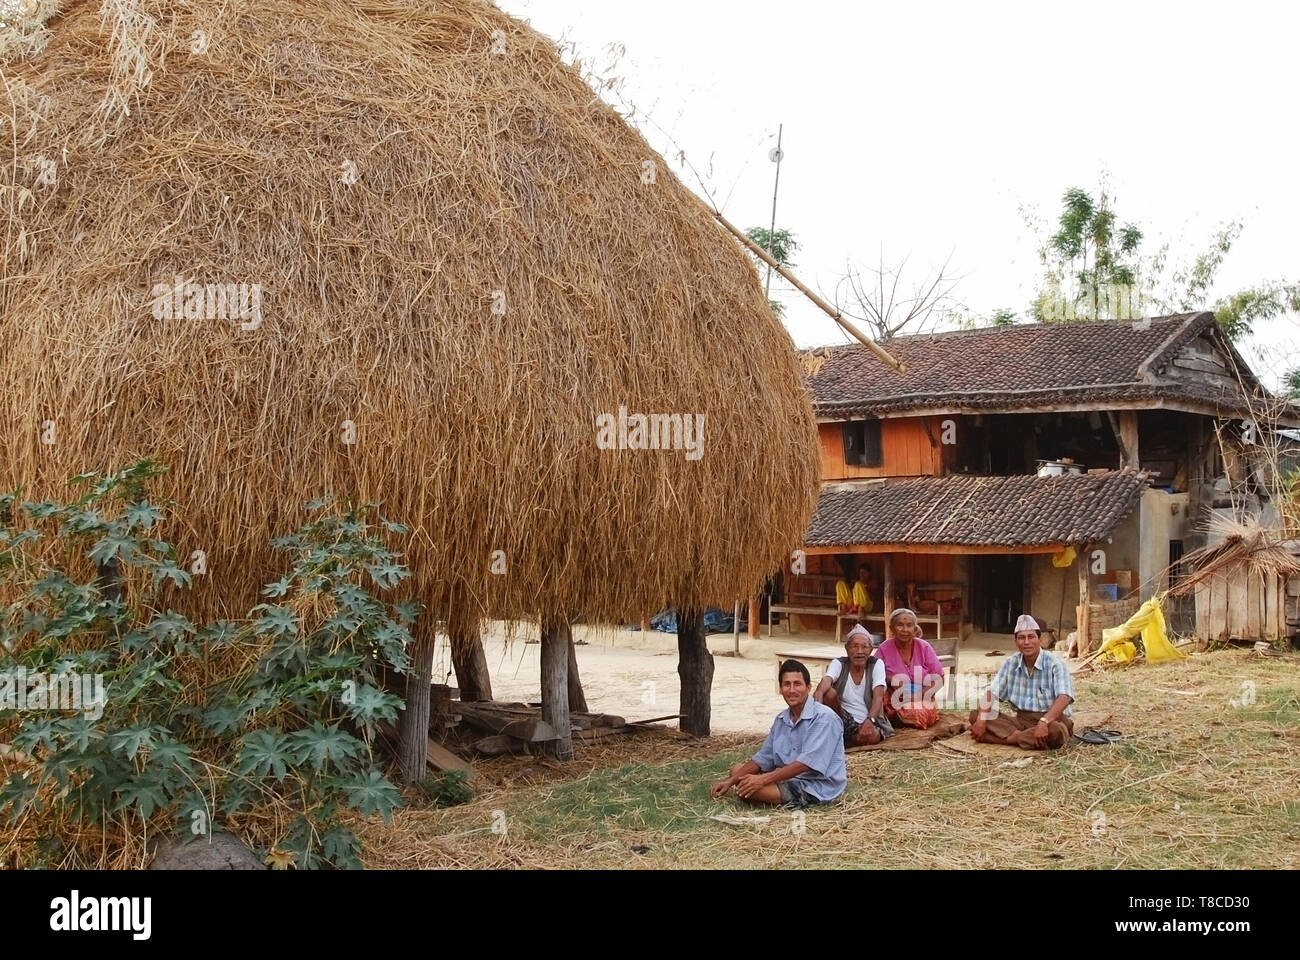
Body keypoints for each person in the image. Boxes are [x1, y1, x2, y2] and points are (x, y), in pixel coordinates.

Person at [711, 659, 846, 807]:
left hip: (815, 787)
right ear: (781, 689)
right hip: (787, 779)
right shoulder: (782, 719)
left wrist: (762, 780)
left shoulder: (824, 718)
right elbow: (762, 759)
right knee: (736, 770)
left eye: (797, 684)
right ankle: (759, 793)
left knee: (749, 788)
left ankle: (761, 795)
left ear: (808, 687)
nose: (792, 690)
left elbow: (805, 764)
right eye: (787, 684)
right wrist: (729, 782)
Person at [970, 614, 1074, 749]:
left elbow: (1064, 697)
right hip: (1021, 721)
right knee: (976, 715)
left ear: (1040, 639)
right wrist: (981, 719)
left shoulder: (1056, 663)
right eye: (1021, 638)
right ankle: (1023, 738)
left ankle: (1007, 739)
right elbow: (992, 693)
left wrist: (1044, 722)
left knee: (1056, 732)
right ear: (1016, 642)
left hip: (1051, 719)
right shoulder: (1011, 663)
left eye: (1031, 637)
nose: (1026, 642)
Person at [813, 624, 893, 746]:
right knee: (828, 693)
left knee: (873, 736)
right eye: (854, 647)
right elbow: (827, 680)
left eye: (864, 647)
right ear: (846, 648)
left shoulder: (876, 664)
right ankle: (843, 737)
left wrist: (870, 720)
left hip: (869, 719)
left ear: (871, 650)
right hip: (843, 719)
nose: (859, 652)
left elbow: (878, 696)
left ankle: (843, 741)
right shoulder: (839, 663)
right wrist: (818, 697)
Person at [876, 608, 946, 728]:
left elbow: (939, 679)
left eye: (909, 625)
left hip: (922, 697)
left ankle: (897, 719)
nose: (905, 630)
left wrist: (919, 695)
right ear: (892, 628)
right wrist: (890, 678)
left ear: (914, 628)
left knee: (921, 714)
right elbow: (874, 674)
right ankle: (893, 716)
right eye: (900, 625)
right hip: (893, 698)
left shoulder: (924, 647)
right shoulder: (884, 648)